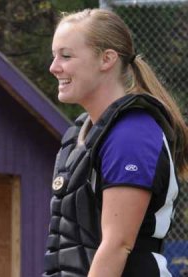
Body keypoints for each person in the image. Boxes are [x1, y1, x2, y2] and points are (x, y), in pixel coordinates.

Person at [43, 9, 188, 277]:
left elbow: (117, 245)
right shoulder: (79, 134)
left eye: (66, 56)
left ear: (107, 59)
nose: (54, 67)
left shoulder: (131, 133)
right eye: (54, 56)